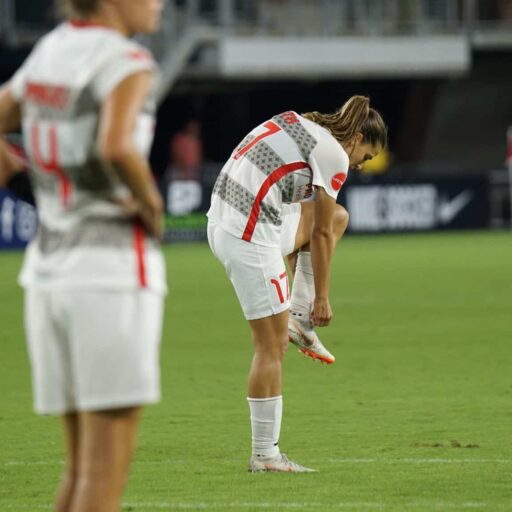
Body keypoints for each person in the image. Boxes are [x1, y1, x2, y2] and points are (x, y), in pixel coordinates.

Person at [0, 1, 166, 511]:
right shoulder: (126, 61)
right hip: (110, 271)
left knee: (77, 472)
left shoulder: (52, 48)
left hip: (48, 269)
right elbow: (117, 146)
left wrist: (16, 166)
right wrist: (151, 205)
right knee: (103, 475)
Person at [207, 96, 387, 472]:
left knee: (339, 215)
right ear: (354, 139)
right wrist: (322, 297)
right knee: (270, 347)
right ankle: (266, 456)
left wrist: (295, 294)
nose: (360, 165)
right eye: (365, 157)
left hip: (227, 220)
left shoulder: (301, 124)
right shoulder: (335, 155)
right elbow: (318, 235)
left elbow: (316, 227)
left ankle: (299, 319)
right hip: (248, 234)